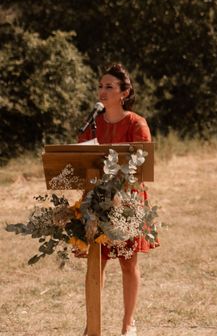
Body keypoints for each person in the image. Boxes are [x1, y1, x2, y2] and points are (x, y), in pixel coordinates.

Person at [78, 63, 157, 336]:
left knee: (127, 261)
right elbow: (80, 160)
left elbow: (142, 164)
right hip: (96, 198)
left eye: (109, 86)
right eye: (100, 86)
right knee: (95, 261)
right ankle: (93, 324)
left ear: (124, 93)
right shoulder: (92, 123)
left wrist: (118, 195)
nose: (102, 91)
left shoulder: (137, 123)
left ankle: (128, 323)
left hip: (127, 200)